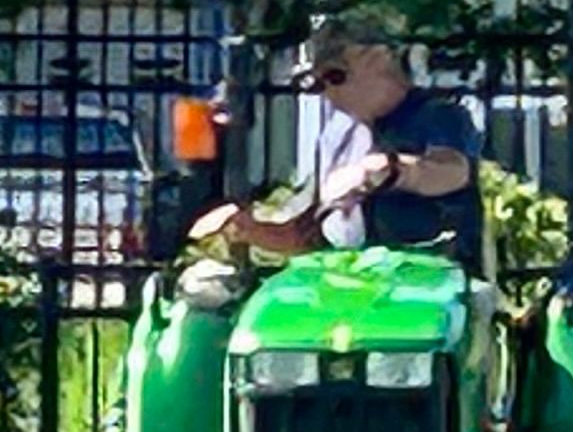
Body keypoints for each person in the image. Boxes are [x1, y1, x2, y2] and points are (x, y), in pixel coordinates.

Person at [189, 15, 486, 266]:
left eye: (335, 75)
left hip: (429, 283)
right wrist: (248, 229)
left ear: (378, 59)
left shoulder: (439, 115)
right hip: (352, 288)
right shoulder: (340, 138)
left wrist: (385, 170)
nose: (328, 94)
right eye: (317, 84)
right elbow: (309, 236)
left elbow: (452, 171)